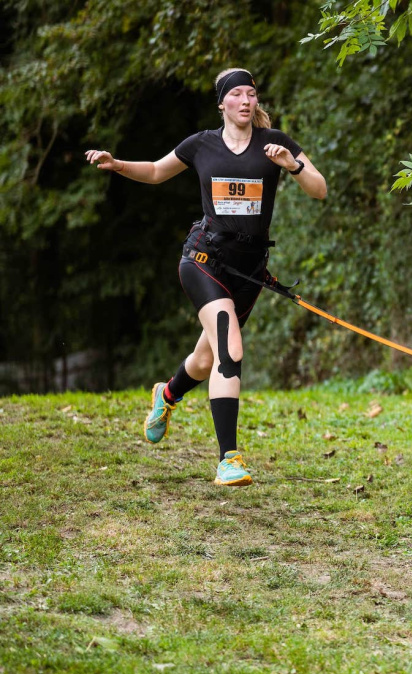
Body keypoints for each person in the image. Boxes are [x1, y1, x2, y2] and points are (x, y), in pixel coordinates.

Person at [85, 67, 327, 486]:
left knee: (205, 359)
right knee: (230, 350)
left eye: (251, 94)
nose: (246, 101)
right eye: (237, 94)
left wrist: (293, 166)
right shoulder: (201, 144)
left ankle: (166, 394)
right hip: (203, 260)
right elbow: (156, 172)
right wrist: (117, 164)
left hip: (249, 271)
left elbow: (319, 189)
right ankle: (228, 459)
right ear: (222, 103)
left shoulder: (276, 143)